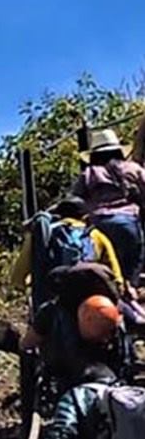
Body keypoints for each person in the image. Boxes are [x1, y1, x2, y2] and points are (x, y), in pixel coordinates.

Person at [11, 196, 124, 306]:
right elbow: (116, 276)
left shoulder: (45, 233)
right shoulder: (97, 236)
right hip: (89, 299)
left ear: (58, 215)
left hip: (56, 297)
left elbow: (18, 276)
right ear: (85, 217)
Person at [70, 128, 145, 287]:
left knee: (104, 270)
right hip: (128, 223)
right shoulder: (132, 169)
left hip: (98, 225)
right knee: (133, 266)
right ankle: (131, 293)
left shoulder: (89, 173)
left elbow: (75, 200)